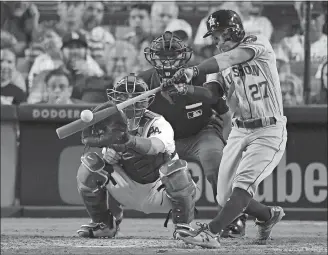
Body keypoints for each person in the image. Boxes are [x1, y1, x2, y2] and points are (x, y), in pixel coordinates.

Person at [166, 10, 288, 248]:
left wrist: (194, 70)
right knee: (224, 196)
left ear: (235, 29)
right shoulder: (218, 62)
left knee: (242, 185)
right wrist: (186, 90)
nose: (219, 42)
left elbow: (232, 58)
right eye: (216, 37)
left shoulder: (257, 42)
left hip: (268, 128)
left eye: (222, 35)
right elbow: (213, 94)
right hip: (239, 129)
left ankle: (211, 232)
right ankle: (267, 215)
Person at [140, 31, 247, 238]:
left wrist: (228, 144)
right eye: (162, 56)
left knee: (216, 161)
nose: (168, 61)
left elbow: (225, 115)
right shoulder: (143, 82)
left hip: (202, 132)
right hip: (163, 139)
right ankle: (109, 218)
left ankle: (234, 217)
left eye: (173, 56)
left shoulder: (201, 75)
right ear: (153, 57)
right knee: (132, 161)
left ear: (184, 56)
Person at [76, 73, 198, 238]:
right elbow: (107, 160)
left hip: (159, 191)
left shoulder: (157, 122)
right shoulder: (109, 122)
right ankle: (104, 224)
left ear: (147, 99)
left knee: (176, 168)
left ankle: (184, 226)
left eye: (135, 96)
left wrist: (130, 140)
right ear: (115, 98)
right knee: (90, 165)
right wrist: (108, 155)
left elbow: (155, 147)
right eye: (123, 96)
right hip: (127, 190)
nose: (129, 100)